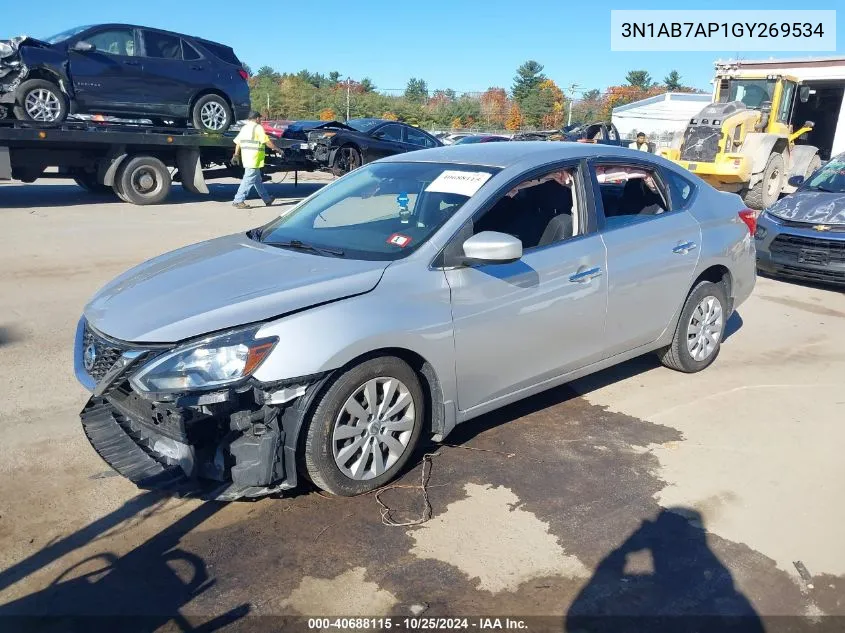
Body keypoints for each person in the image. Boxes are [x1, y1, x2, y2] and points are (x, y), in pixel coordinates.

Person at [232, 111, 279, 209]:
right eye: (260, 118)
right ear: (257, 118)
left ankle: (267, 199)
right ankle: (238, 200)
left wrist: (236, 154)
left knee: (257, 181)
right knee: (248, 180)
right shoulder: (258, 128)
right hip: (254, 158)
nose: (261, 120)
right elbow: (267, 142)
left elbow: (238, 142)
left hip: (248, 158)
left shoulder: (244, 128)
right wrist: (278, 149)